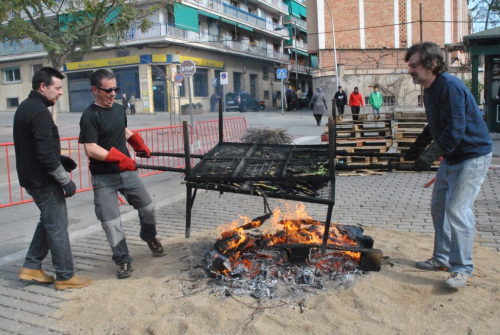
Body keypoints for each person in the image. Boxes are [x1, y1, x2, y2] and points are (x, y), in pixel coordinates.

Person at [404, 41, 492, 289]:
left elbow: (455, 130)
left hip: (472, 157)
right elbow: (434, 124)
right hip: (453, 157)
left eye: (414, 66)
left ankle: (462, 268)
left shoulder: (450, 87)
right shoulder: (430, 88)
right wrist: (416, 148)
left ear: (432, 63)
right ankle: (441, 258)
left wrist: (429, 156)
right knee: (439, 207)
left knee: (457, 210)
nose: (410, 71)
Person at [79, 69, 165, 280]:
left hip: (127, 173)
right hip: (104, 178)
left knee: (148, 208)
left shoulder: (119, 110)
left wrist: (136, 142)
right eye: (108, 90)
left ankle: (149, 236)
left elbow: (122, 130)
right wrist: (119, 158)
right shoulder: (89, 116)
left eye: (115, 89)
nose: (112, 94)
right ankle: (122, 259)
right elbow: (90, 149)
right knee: (111, 222)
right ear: (95, 90)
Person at [13, 67, 92, 291]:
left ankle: (31, 266)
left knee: (49, 222)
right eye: (57, 88)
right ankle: (65, 276)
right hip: (43, 180)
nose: (61, 93)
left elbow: (35, 147)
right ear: (43, 87)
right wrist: (65, 180)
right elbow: (44, 154)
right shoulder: (38, 111)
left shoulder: (26, 107)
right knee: (57, 226)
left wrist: (59, 159)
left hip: (32, 177)